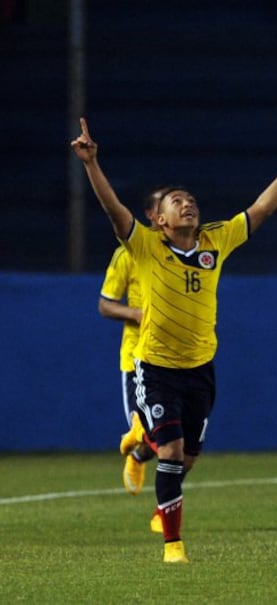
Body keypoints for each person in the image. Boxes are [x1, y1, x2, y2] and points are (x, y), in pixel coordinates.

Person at [71, 118, 277, 563]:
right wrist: (92, 164)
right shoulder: (145, 247)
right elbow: (114, 210)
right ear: (160, 220)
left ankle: (145, 458)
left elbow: (262, 209)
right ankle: (174, 546)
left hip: (201, 368)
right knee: (168, 450)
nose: (187, 205)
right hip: (156, 366)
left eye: (189, 200)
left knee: (186, 458)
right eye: (176, 202)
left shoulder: (215, 241)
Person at [98, 191, 162, 499]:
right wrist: (137, 313)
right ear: (152, 214)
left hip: (177, 355)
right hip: (137, 356)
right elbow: (106, 304)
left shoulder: (186, 252)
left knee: (180, 436)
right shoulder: (129, 254)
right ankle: (168, 523)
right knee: (160, 435)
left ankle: (137, 454)